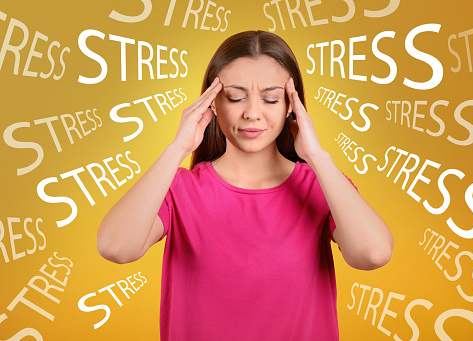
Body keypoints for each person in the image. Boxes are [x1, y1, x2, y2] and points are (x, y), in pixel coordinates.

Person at [97, 30, 393, 341]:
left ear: (291, 105)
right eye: (236, 97)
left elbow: (373, 254)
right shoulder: (179, 190)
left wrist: (317, 156)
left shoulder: (321, 187)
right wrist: (177, 148)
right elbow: (116, 247)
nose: (252, 113)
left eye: (270, 98)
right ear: (212, 105)